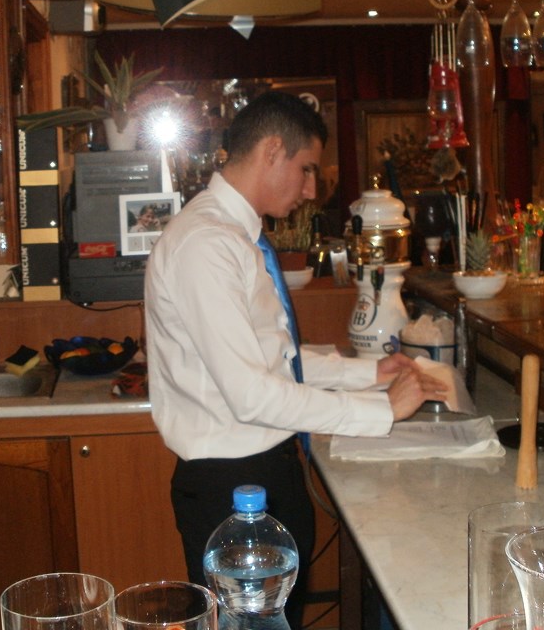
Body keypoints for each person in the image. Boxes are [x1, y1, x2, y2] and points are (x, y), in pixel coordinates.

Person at [145, 91, 448, 630]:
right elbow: (251, 394)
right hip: (230, 488)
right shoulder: (206, 243)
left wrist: (368, 373)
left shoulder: (235, 234)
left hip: (262, 470)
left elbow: (270, 358)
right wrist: (382, 412)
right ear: (271, 151)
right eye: (306, 169)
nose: (311, 190)